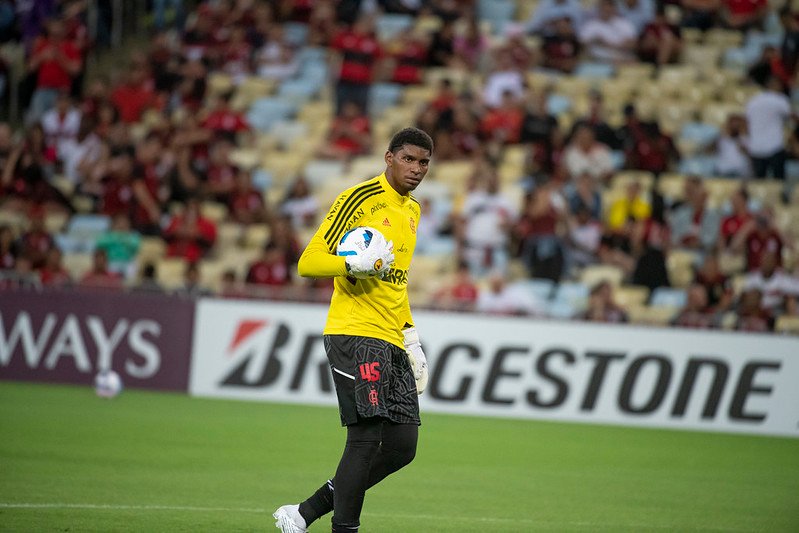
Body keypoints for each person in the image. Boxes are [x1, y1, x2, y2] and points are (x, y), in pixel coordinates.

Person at [273, 128, 433, 533]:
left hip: (391, 337)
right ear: (389, 157)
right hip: (355, 332)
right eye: (409, 159)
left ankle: (305, 512)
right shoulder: (359, 198)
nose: (416, 169)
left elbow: (397, 281)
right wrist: (351, 265)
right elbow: (308, 262)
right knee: (364, 438)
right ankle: (344, 529)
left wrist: (410, 337)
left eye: (424, 162)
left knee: (402, 447)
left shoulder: (412, 211)